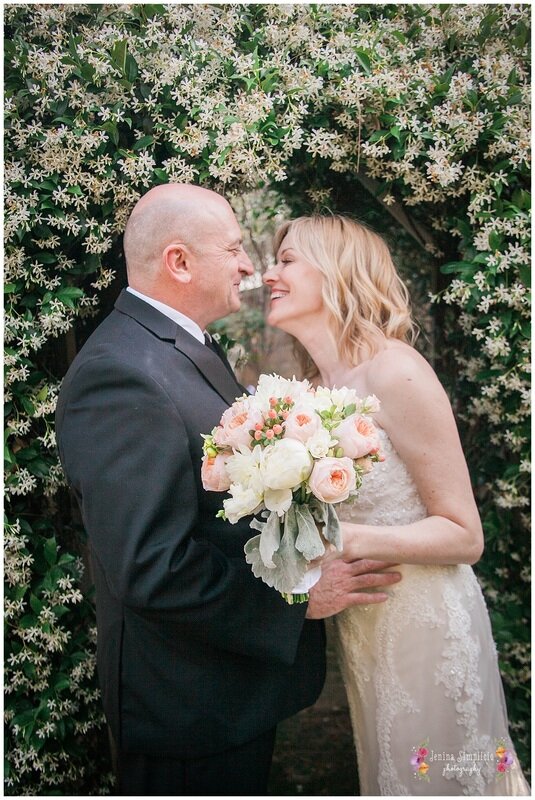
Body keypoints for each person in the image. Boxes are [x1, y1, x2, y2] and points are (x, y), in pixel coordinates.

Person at [55, 185, 401, 796]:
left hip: (216, 694)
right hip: (182, 707)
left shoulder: (179, 348)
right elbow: (151, 566)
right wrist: (296, 599)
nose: (249, 266)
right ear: (179, 262)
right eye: (236, 249)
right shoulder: (122, 373)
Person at [263, 213, 530, 796]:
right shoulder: (306, 397)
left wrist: (349, 540)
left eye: (286, 261)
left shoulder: (395, 370)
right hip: (362, 628)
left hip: (425, 625)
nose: (268, 274)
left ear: (337, 272)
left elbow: (465, 535)